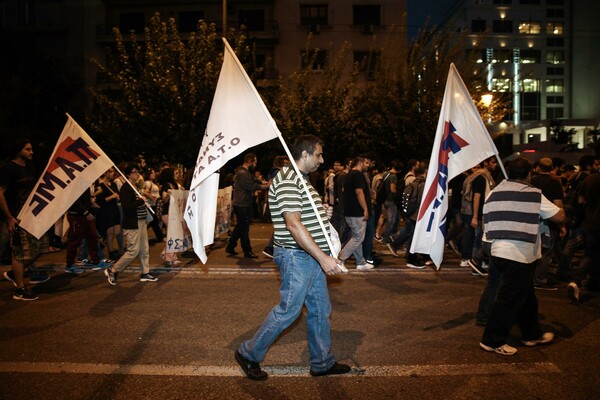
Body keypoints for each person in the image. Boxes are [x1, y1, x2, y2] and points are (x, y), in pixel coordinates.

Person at [235, 134, 351, 380]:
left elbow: (307, 219)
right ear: (305, 154)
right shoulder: (289, 180)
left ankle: (321, 363)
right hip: (297, 256)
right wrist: (323, 258)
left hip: (308, 256)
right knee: (289, 311)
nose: (322, 159)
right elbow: (294, 225)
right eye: (319, 154)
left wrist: (323, 215)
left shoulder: (303, 181)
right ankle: (248, 353)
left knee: (320, 309)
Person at [479, 157, 564, 356]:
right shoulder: (533, 194)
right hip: (519, 253)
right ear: (529, 174)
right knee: (508, 300)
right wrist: (562, 207)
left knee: (525, 296)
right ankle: (491, 340)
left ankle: (531, 334)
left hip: (497, 248)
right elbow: (559, 216)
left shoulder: (494, 192)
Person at [0, 139, 50, 300]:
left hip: (32, 216)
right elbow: (0, 192)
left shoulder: (30, 167)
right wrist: (9, 218)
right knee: (20, 253)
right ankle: (20, 290)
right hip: (16, 217)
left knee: (42, 247)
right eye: (28, 149)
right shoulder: (8, 168)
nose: (31, 152)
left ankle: (15, 273)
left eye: (31, 149)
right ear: (18, 150)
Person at [104, 164, 157, 285]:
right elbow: (126, 207)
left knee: (144, 249)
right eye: (134, 172)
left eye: (138, 172)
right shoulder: (126, 188)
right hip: (133, 223)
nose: (137, 174)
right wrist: (140, 201)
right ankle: (113, 270)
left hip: (141, 222)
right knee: (133, 251)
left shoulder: (135, 187)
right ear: (128, 174)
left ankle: (145, 272)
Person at [568, 163, 600, 303]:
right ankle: (578, 280)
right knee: (593, 255)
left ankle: (588, 282)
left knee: (591, 254)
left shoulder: (590, 179)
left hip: (590, 223)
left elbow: (579, 200)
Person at [531, 157, 565, 290]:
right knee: (546, 252)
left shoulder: (531, 182)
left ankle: (532, 276)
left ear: (538, 167)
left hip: (532, 220)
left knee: (534, 250)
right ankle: (540, 279)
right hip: (550, 222)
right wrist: (562, 224)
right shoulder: (555, 183)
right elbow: (558, 205)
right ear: (551, 168)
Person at [225, 153, 268, 258]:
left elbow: (254, 180)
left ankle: (230, 246)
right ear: (250, 162)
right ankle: (247, 251)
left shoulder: (244, 172)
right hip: (242, 204)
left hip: (242, 203)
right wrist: (265, 186)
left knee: (240, 227)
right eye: (255, 162)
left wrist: (264, 182)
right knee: (244, 229)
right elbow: (251, 186)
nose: (256, 165)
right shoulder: (243, 173)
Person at [338, 156, 372, 270]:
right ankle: (341, 259)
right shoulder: (357, 175)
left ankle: (360, 262)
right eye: (366, 163)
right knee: (358, 238)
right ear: (360, 163)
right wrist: (365, 209)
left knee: (356, 237)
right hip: (357, 212)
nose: (368, 165)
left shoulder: (349, 174)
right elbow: (359, 192)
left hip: (350, 211)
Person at [65, 191, 111, 274]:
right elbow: (74, 199)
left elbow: (83, 197)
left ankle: (96, 262)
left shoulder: (83, 181)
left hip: (84, 214)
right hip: (76, 215)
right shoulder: (75, 182)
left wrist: (90, 204)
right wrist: (86, 212)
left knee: (92, 237)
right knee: (74, 241)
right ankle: (70, 265)